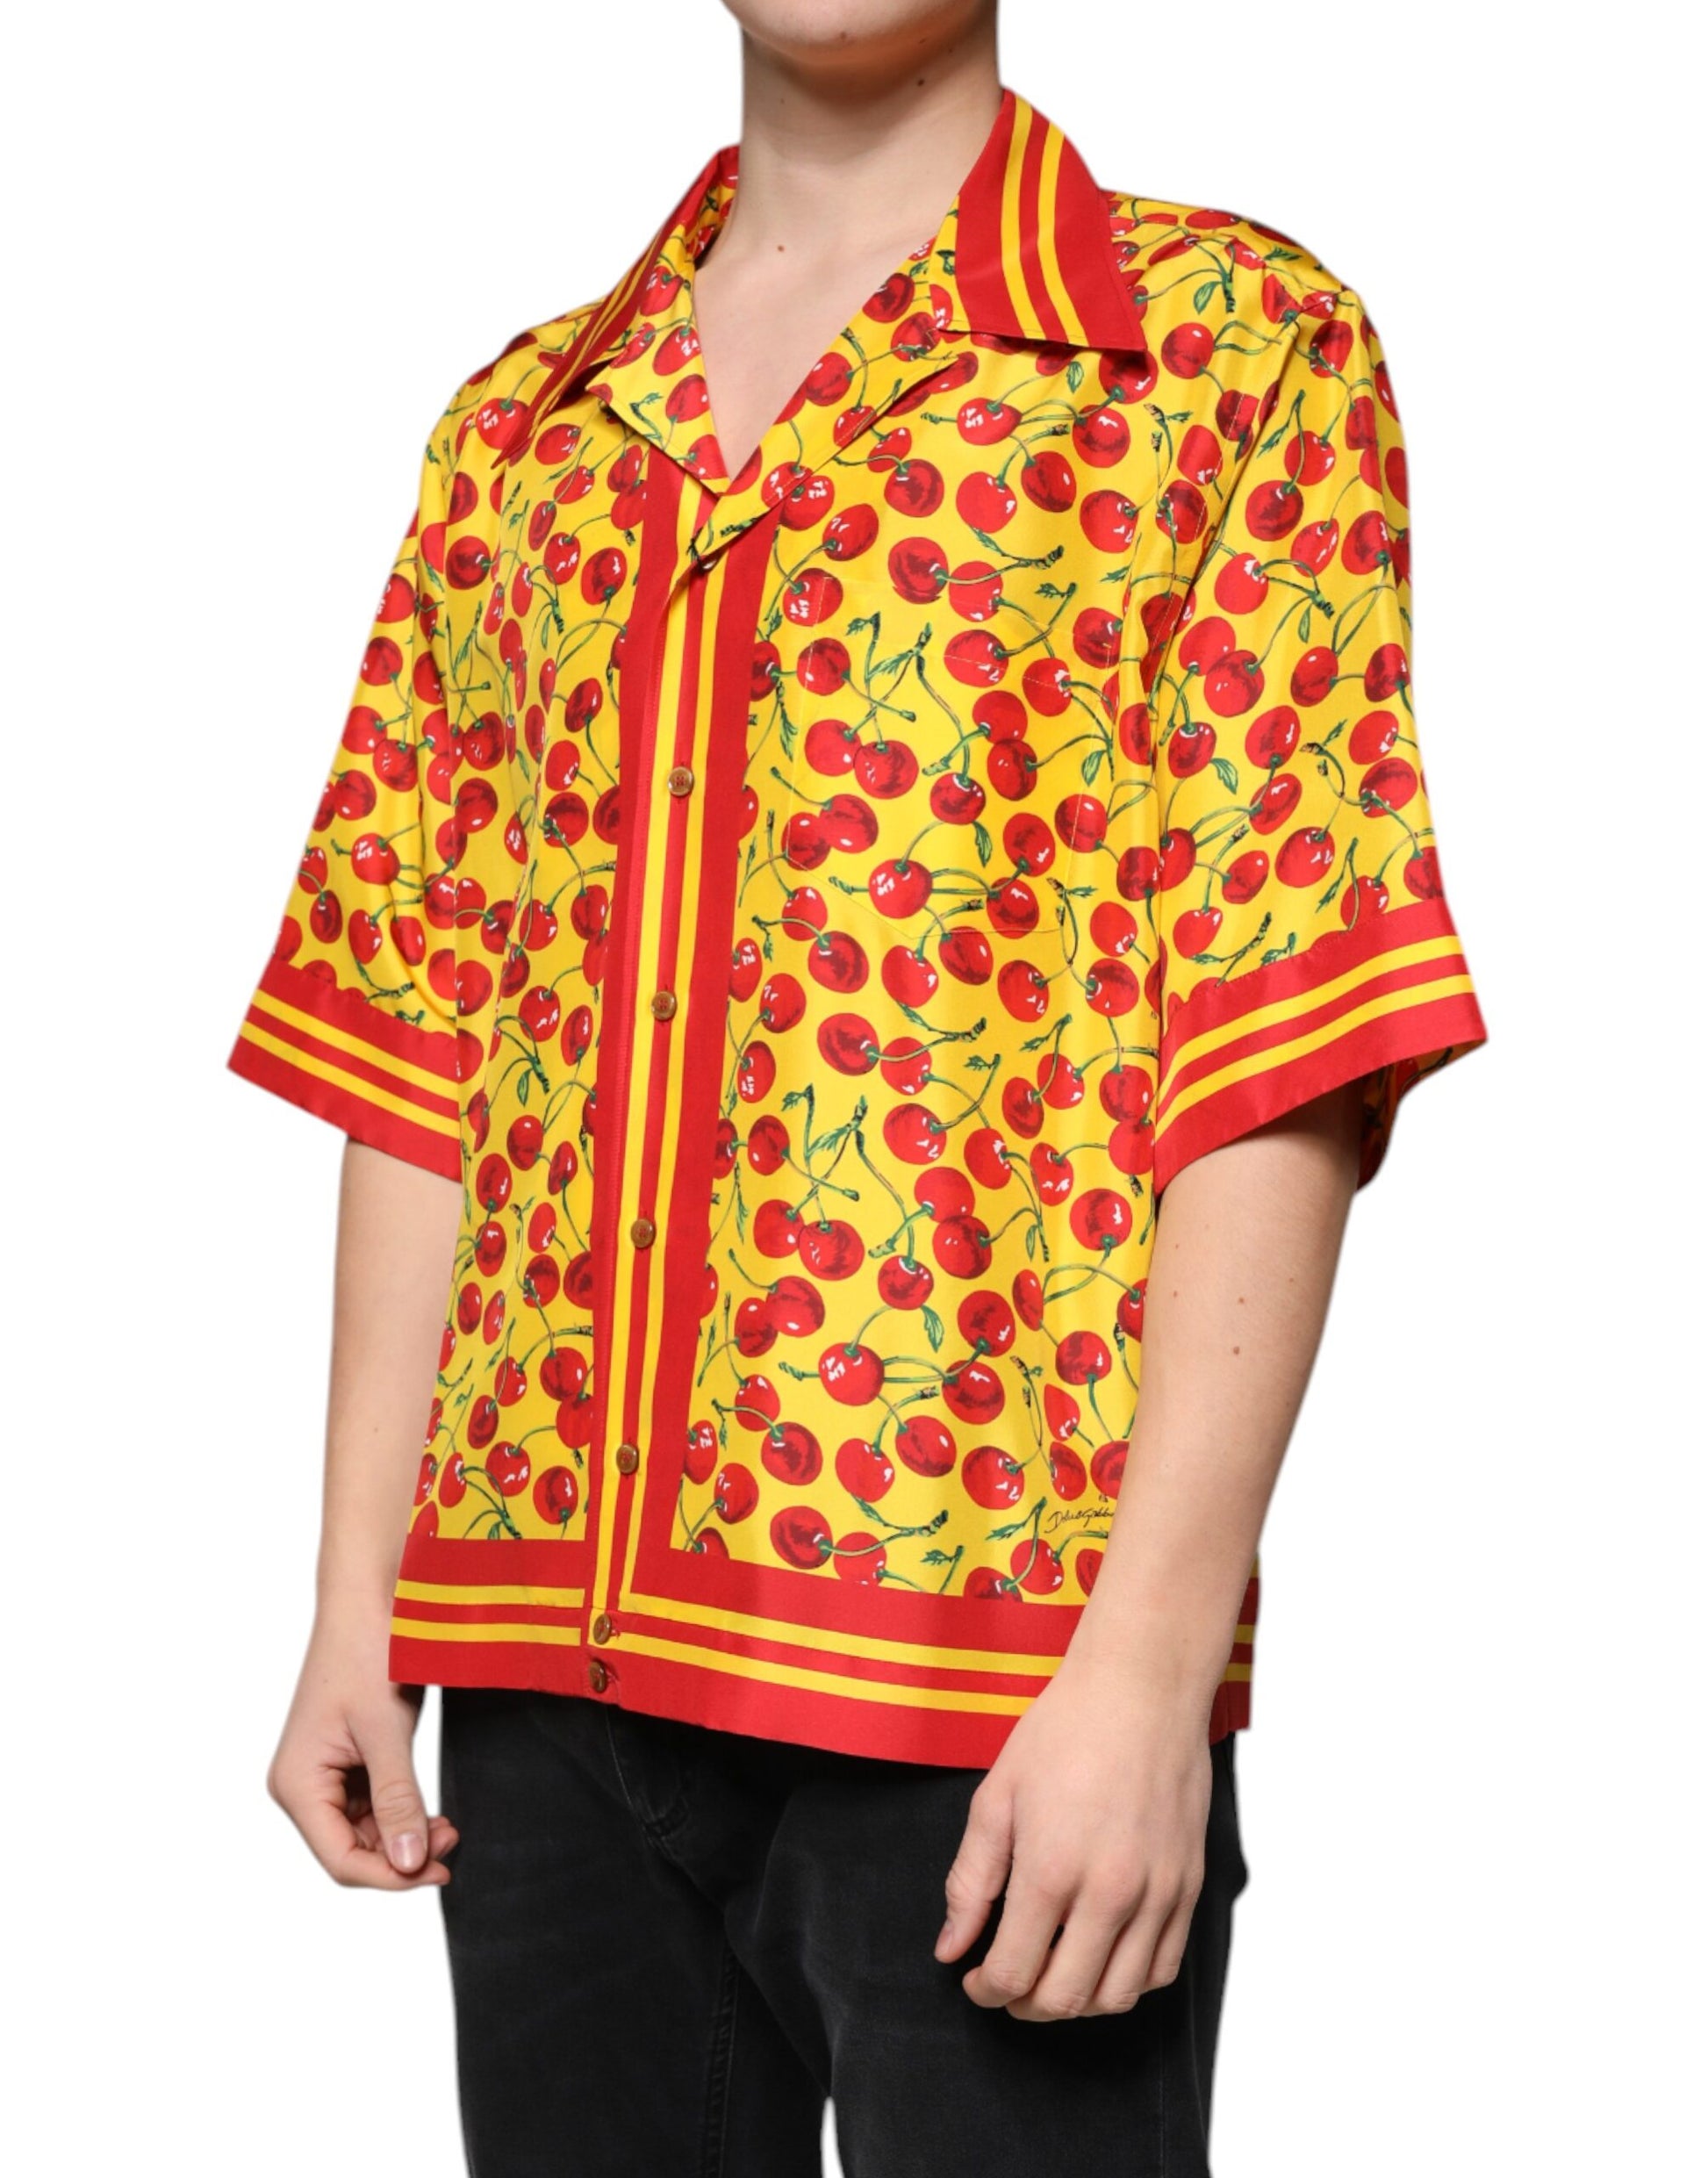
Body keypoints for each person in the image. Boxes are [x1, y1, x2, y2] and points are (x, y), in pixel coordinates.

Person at [227, 3, 1487, 2170]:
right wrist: (358, 1590)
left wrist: (1147, 1669)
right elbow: (423, 1032)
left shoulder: (1223, 346)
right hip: (537, 1673)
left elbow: (1281, 1025)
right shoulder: (524, 430)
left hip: (992, 1674)